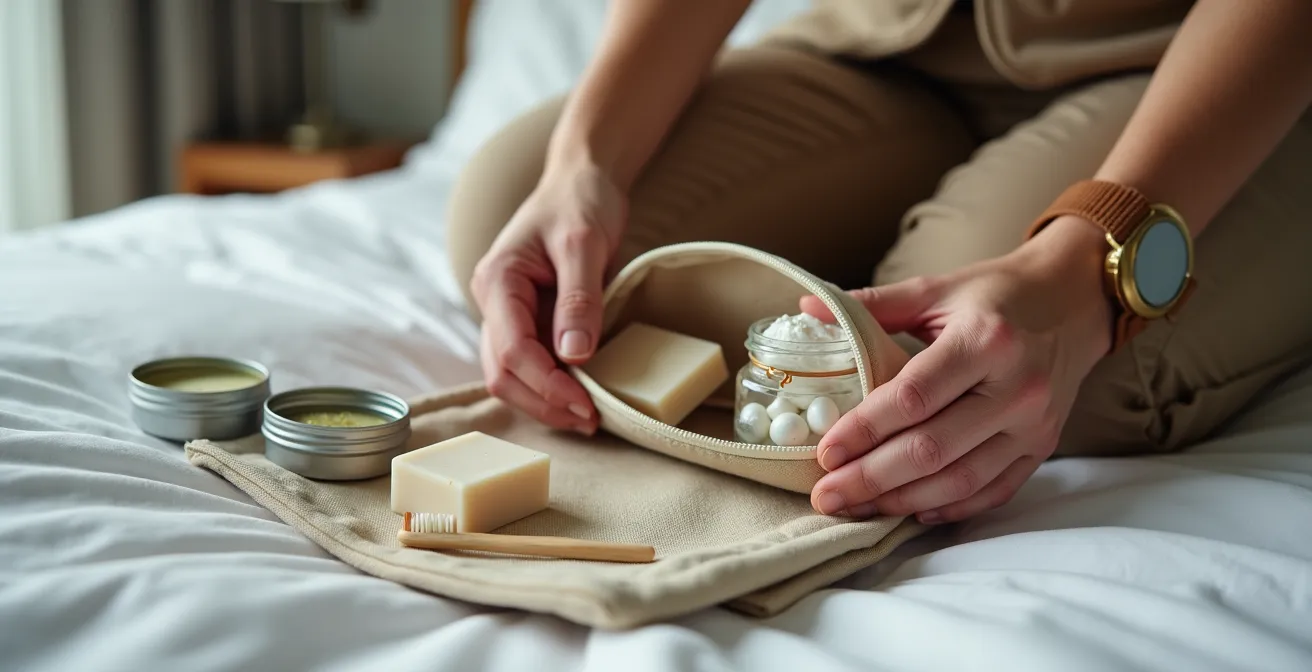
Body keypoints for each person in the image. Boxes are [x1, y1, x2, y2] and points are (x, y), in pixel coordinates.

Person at [446, 0, 1312, 525]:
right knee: (523, 231)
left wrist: (1086, 272)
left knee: (1010, 389)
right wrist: (583, 167)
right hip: (887, 45)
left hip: (1192, 70)